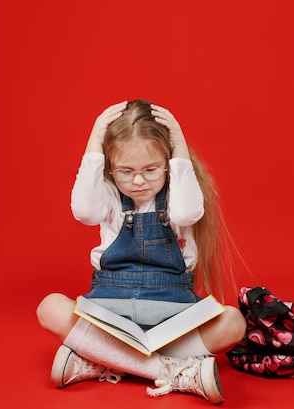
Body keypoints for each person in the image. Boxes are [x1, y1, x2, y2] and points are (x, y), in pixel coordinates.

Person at [37, 100, 247, 404]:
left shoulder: (178, 195)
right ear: (110, 167)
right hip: (112, 310)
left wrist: (179, 144)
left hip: (171, 313)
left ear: (168, 162)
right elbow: (84, 211)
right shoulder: (109, 195)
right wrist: (95, 140)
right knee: (49, 307)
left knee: (233, 322)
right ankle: (169, 371)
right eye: (126, 171)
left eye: (151, 169)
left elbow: (188, 213)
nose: (138, 181)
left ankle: (104, 360)